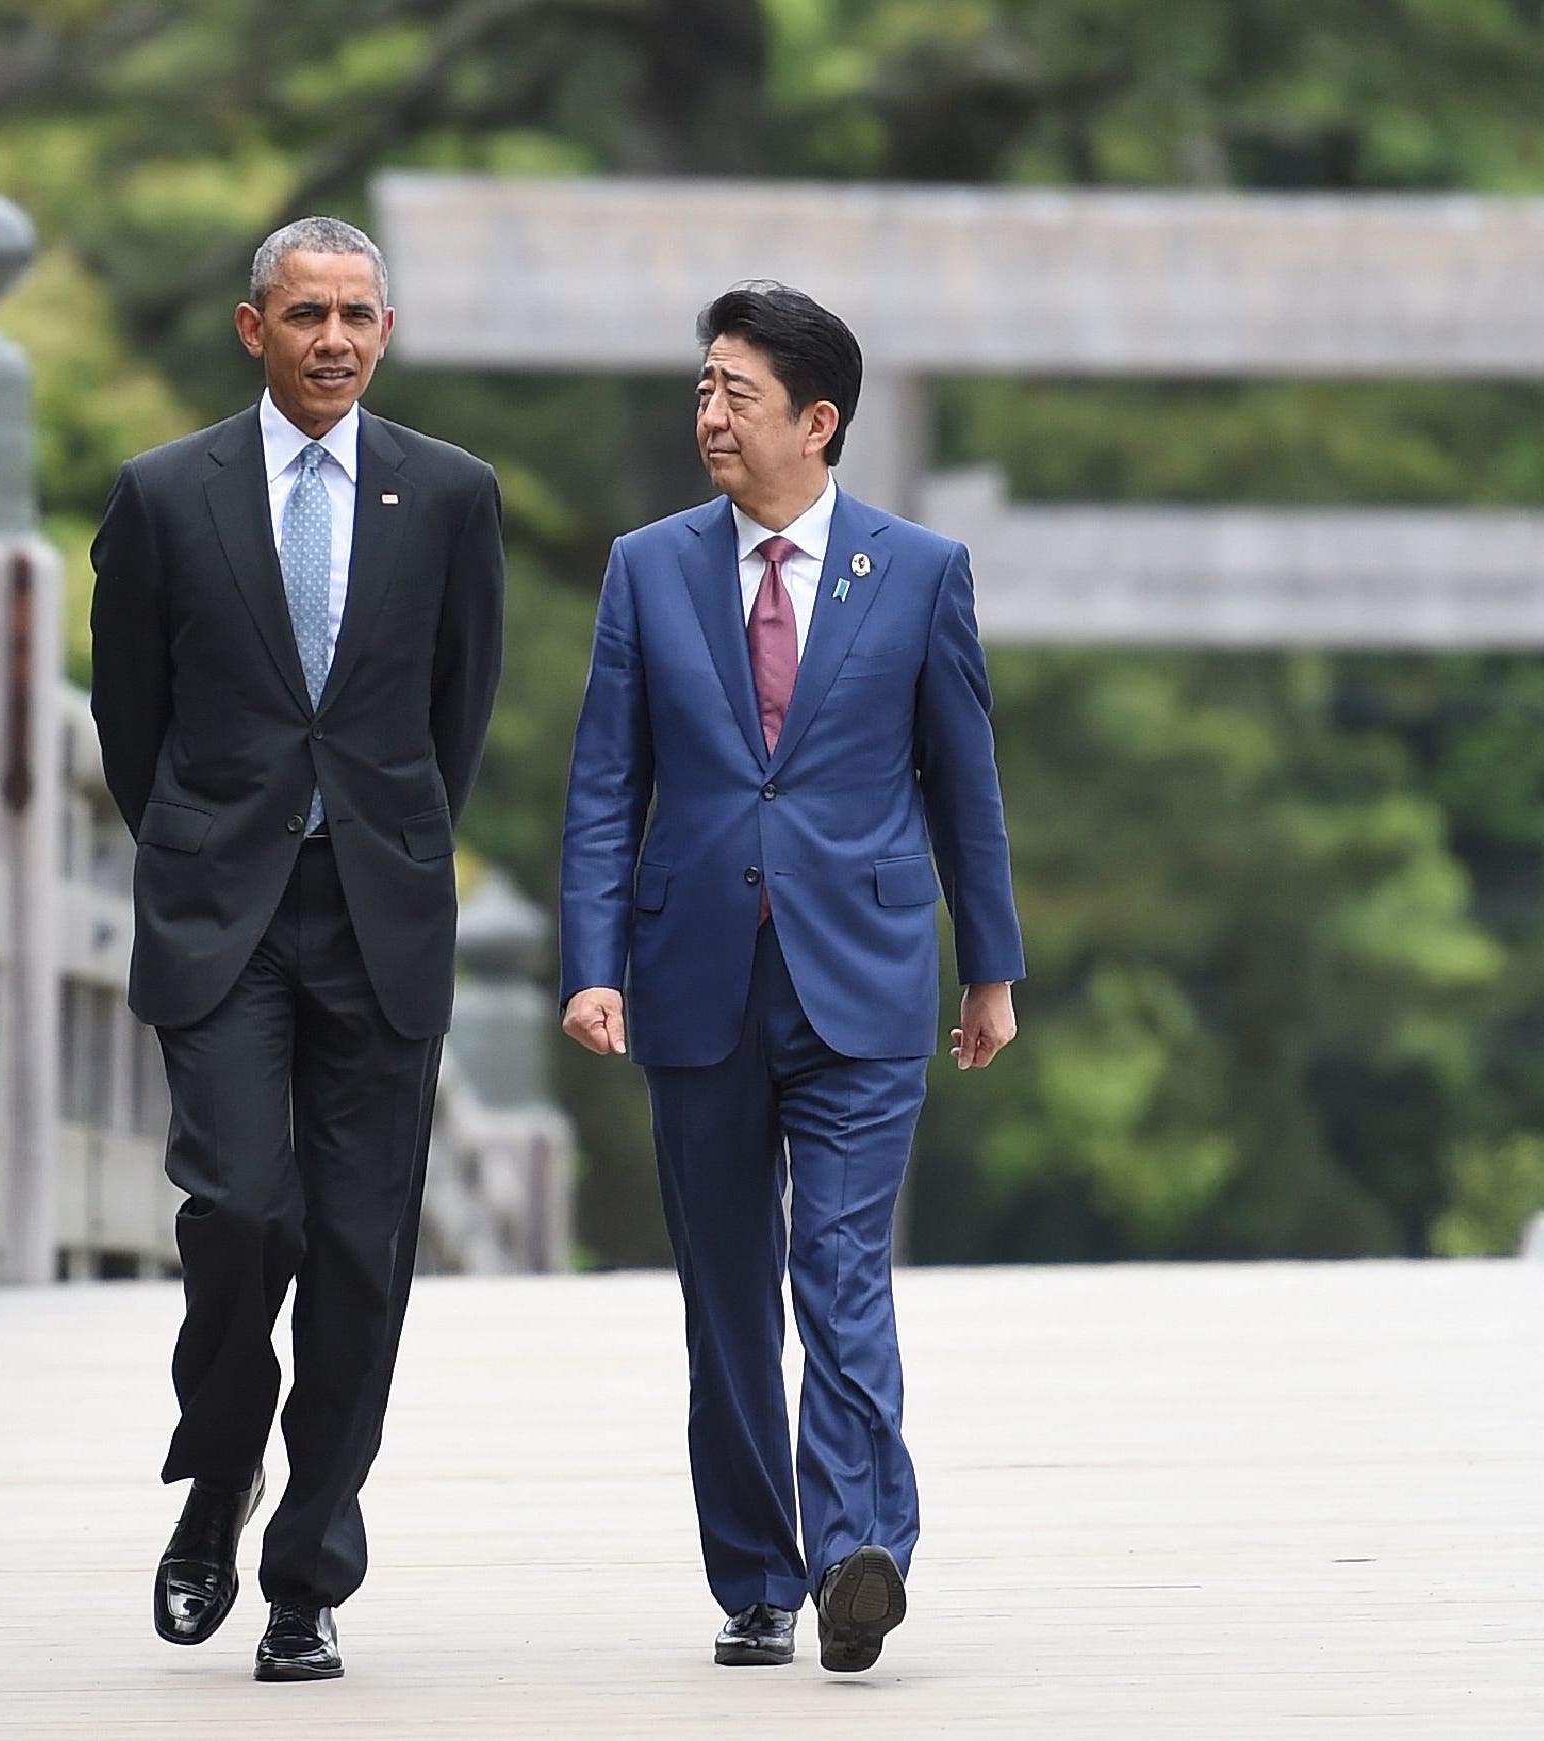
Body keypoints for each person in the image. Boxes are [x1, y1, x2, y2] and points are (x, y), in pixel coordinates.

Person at [558, 281, 1024, 1673]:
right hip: (692, 971)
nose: (707, 413)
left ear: (816, 422)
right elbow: (602, 785)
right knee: (725, 1291)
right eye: (700, 387)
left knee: (836, 1267)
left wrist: (989, 967)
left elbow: (966, 785)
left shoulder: (920, 571)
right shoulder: (645, 568)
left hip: (863, 976)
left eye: (734, 392)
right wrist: (593, 964)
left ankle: (855, 1550)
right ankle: (756, 1573)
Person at [89, 215, 504, 1682]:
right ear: (252, 327)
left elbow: (455, 715)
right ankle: (218, 1465)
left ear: (384, 332)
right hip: (225, 914)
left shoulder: (449, 495)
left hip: (379, 912)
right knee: (243, 1211)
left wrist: (378, 839)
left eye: (358, 314)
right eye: (306, 312)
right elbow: (129, 726)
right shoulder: (162, 495)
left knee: (358, 1258)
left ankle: (305, 1574)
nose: (334, 338)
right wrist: (218, 840)